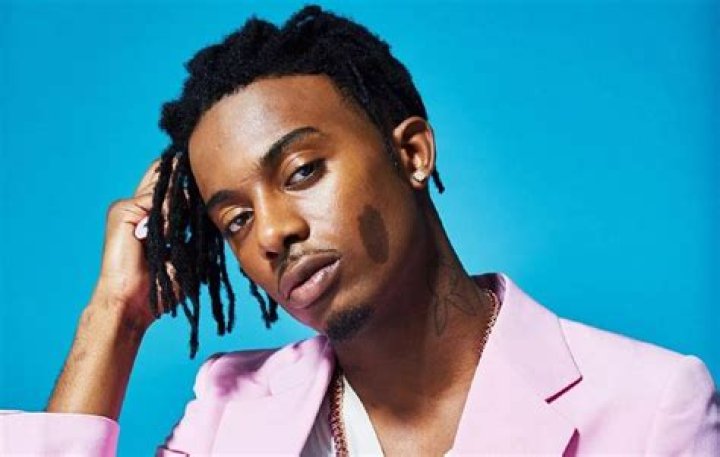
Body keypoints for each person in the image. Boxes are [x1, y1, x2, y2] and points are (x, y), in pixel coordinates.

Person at [1, 4, 717, 456]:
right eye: (236, 219)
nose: (272, 232)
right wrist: (115, 318)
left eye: (303, 170)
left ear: (412, 153)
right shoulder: (229, 412)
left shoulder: (651, 404)